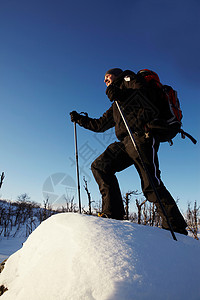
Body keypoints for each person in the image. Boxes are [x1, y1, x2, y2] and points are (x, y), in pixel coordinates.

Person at [70, 68, 188, 235]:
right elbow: (100, 125)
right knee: (100, 166)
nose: (105, 80)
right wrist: (80, 119)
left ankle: (176, 227)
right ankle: (113, 213)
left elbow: (145, 99)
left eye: (107, 76)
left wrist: (121, 94)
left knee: (150, 184)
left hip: (142, 137)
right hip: (125, 142)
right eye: (103, 79)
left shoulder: (129, 78)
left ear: (116, 75)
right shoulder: (116, 103)